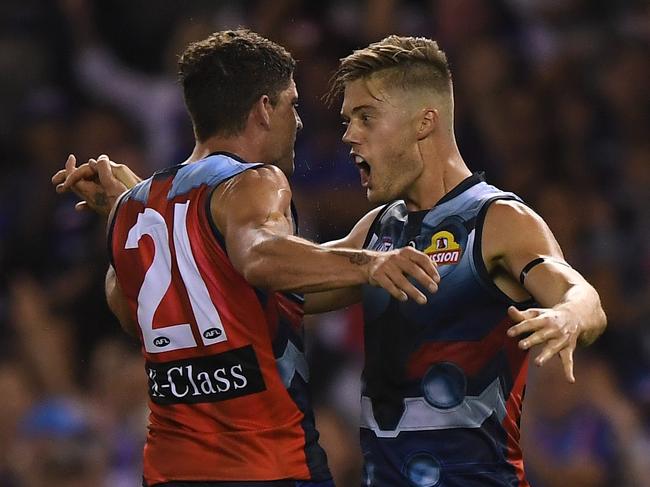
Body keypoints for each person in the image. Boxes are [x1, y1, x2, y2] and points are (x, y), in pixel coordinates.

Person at [56, 35, 608, 486]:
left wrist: (565, 316)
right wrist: (151, 213)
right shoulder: (378, 232)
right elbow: (253, 282)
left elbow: (579, 293)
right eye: (347, 120)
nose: (348, 136)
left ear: (425, 122)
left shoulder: (495, 219)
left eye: (366, 118)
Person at [53, 30, 440, 487]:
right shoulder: (256, 181)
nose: (297, 121)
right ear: (263, 108)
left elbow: (131, 310)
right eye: (291, 104)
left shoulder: (138, 207)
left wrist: (121, 207)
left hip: (170, 471)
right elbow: (259, 256)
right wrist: (369, 264)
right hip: (268, 464)